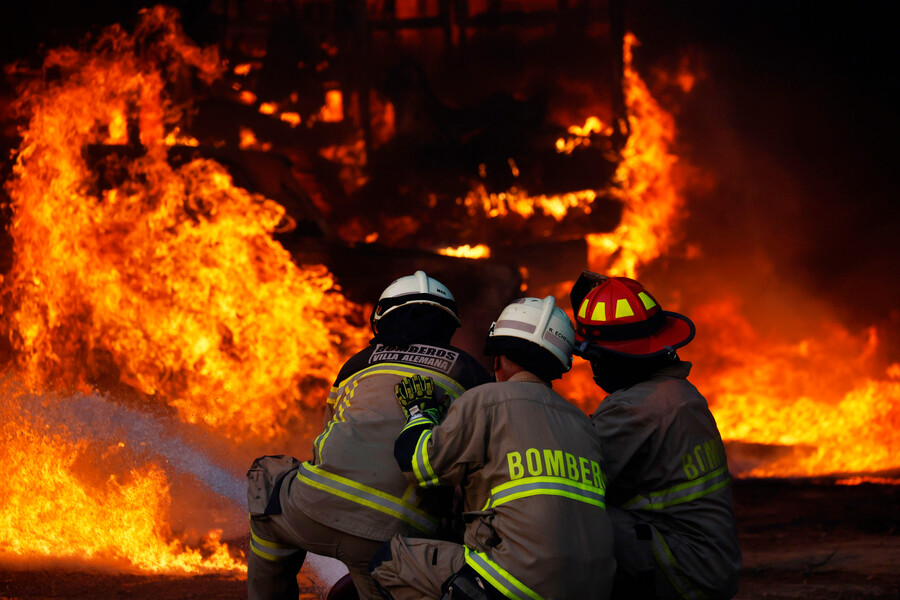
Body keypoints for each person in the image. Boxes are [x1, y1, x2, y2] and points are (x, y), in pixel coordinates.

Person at [247, 270, 492, 600]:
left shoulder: (356, 365)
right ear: (448, 325)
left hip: (312, 511)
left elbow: (328, 437)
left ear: (381, 318)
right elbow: (476, 469)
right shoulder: (470, 373)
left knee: (267, 486)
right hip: (394, 542)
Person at [371, 296, 617, 600]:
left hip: (516, 583)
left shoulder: (486, 399)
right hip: (595, 588)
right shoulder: (583, 423)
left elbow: (419, 466)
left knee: (389, 560)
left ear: (498, 359)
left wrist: (421, 413)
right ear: (558, 366)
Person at [569, 272, 742, 600]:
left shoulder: (635, 409)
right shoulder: (680, 393)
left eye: (595, 357)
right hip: (712, 565)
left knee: (565, 515)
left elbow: (571, 475)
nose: (593, 368)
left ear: (621, 358)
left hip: (684, 569)